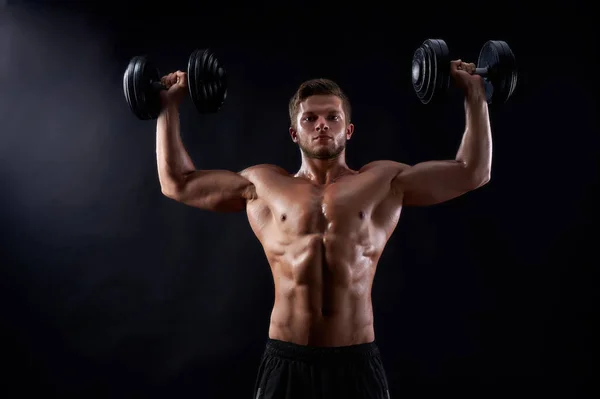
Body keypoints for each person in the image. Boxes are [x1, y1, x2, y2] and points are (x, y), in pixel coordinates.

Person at [156, 59, 491, 398]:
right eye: (310, 118)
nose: (321, 126)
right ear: (294, 132)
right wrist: (168, 106)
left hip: (355, 362)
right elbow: (177, 183)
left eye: (332, 117)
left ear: (348, 129)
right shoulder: (262, 184)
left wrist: (474, 94)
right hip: (287, 360)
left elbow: (471, 171)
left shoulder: (383, 181)